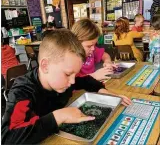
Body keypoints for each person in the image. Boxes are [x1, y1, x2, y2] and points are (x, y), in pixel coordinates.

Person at [2, 29, 131, 144]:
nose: (73, 81)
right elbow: (7, 138)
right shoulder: (22, 91)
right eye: (68, 74)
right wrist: (58, 116)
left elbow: (87, 80)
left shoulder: (67, 79)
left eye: (75, 74)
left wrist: (107, 93)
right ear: (45, 66)